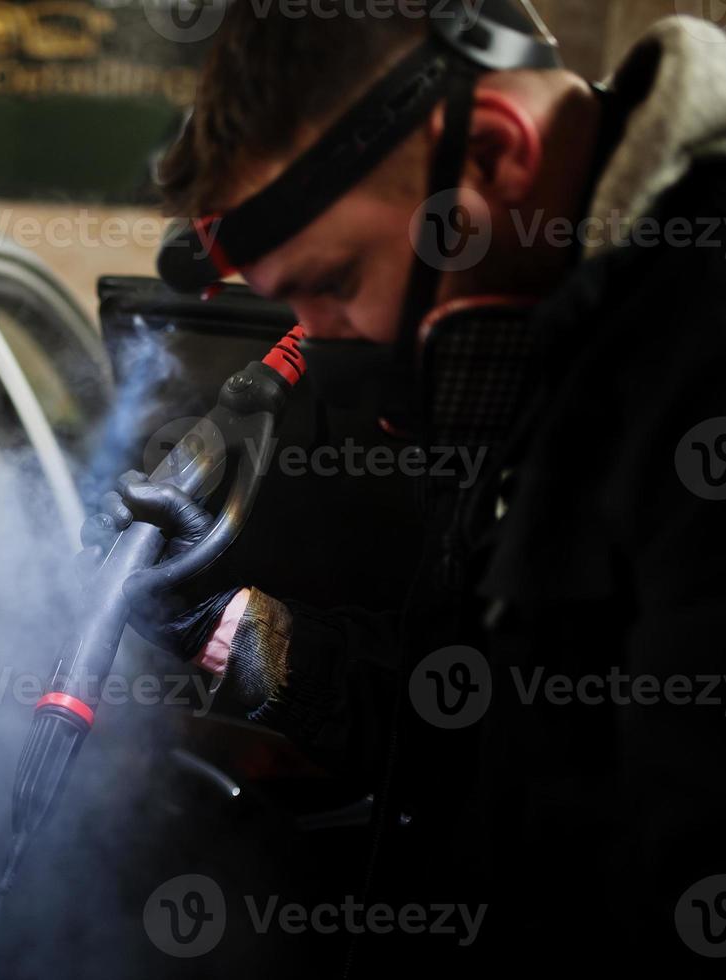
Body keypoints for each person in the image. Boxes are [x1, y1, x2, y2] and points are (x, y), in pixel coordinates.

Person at [80, 2, 726, 974]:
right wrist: (236, 627)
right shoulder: (565, 325)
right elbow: (486, 718)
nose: (321, 342)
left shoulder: (692, 350)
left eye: (335, 280)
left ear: (500, 156)